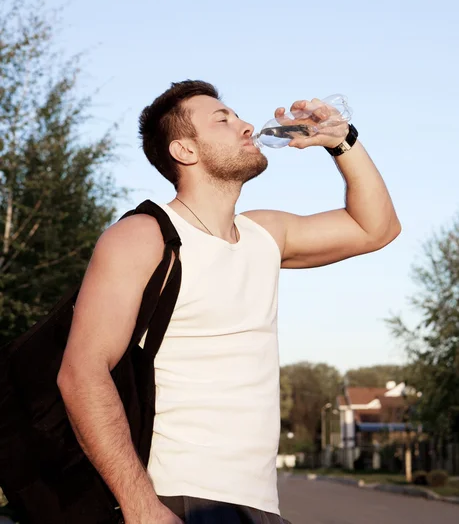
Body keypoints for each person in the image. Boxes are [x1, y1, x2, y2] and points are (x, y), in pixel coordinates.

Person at [57, 80, 401, 524]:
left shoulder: (265, 234)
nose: (246, 126)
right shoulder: (144, 237)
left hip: (259, 504)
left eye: (237, 116)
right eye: (223, 120)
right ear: (185, 151)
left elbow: (378, 229)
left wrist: (342, 141)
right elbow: (81, 373)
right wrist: (142, 507)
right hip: (177, 498)